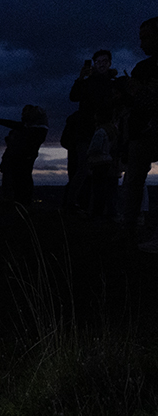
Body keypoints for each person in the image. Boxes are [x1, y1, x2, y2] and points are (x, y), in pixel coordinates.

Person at [63, 50, 119, 211]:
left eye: (105, 61)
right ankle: (73, 204)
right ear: (94, 63)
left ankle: (100, 208)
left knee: (106, 170)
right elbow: (74, 96)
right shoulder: (87, 82)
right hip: (86, 130)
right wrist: (81, 78)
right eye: (98, 61)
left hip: (106, 130)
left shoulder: (113, 82)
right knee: (84, 168)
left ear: (109, 63)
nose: (101, 64)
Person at [121, 17, 158, 251]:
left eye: (146, 37)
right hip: (141, 135)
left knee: (134, 182)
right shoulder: (142, 68)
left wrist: (138, 92)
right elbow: (132, 104)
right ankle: (128, 231)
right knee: (132, 181)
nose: (141, 43)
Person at [0, 106, 48, 208]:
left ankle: (20, 204)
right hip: (17, 158)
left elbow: (19, 129)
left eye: (25, 113)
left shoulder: (34, 129)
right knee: (18, 181)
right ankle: (18, 204)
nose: (23, 115)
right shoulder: (29, 128)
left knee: (21, 181)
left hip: (23, 158)